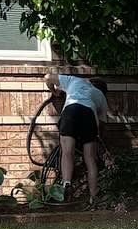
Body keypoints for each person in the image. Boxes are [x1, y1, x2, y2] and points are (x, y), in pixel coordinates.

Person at [45, 71, 109, 205]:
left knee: (67, 153)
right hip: (89, 115)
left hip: (71, 111)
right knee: (90, 159)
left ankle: (66, 184)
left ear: (90, 81)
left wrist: (55, 92)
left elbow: (47, 77)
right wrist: (98, 140)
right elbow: (102, 125)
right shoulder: (101, 96)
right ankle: (93, 197)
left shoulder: (74, 80)